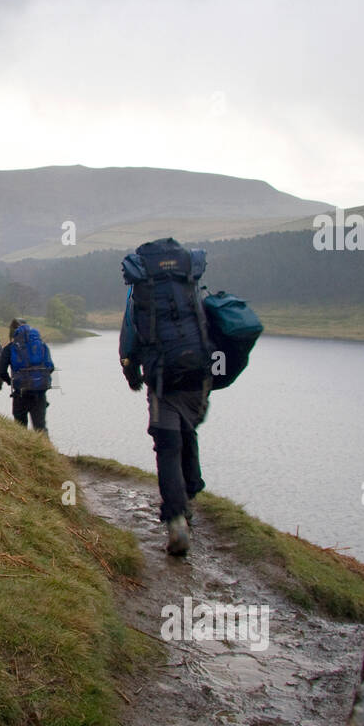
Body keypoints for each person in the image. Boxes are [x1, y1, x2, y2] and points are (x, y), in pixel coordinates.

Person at [119, 238, 212, 557]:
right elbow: (207, 323)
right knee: (188, 432)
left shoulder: (141, 292)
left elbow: (130, 336)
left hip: (162, 377)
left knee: (168, 445)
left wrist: (132, 374)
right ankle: (189, 500)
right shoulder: (190, 283)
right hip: (198, 372)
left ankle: (176, 521)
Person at [0, 318, 54, 433]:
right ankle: (46, 449)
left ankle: (22, 449)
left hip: (20, 392)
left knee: (20, 426)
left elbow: (1, 371)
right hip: (39, 392)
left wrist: (10, 382)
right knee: (40, 426)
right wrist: (38, 379)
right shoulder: (42, 345)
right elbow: (50, 367)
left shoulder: (10, 348)